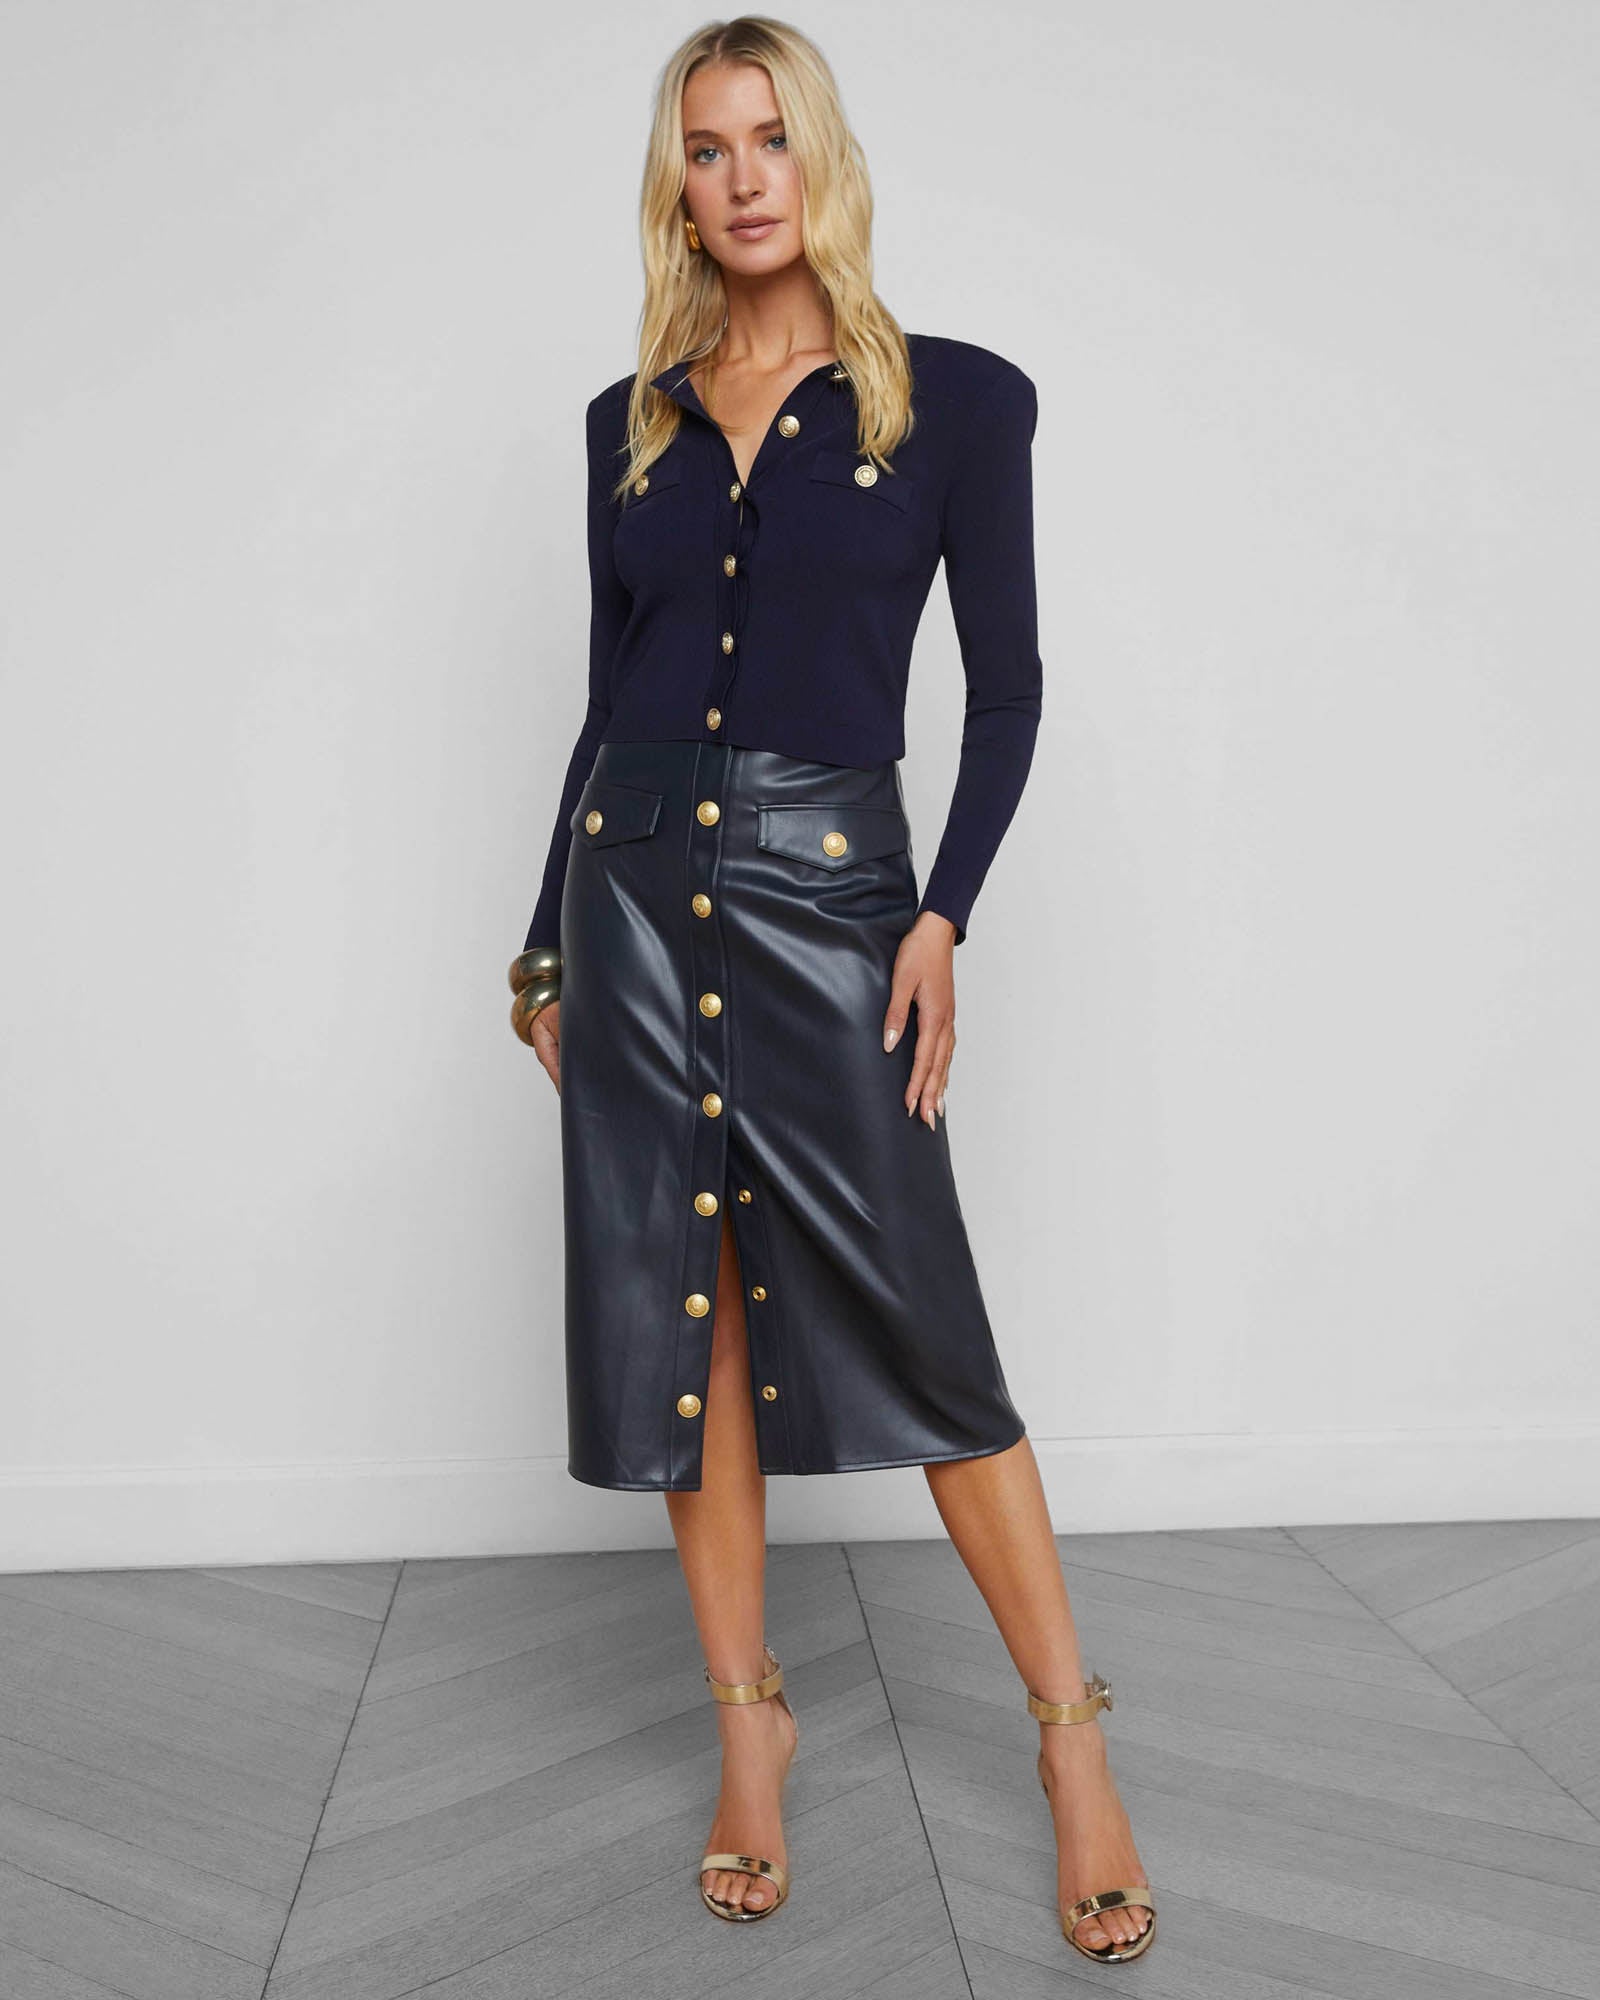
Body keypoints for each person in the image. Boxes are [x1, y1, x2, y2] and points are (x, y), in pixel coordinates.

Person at [507, 16, 1154, 1965]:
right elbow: (606, 701)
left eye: (770, 138)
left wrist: (939, 917)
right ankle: (749, 1731)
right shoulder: (625, 422)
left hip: (831, 896)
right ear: (675, 184)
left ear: (825, 160)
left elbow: (1007, 692)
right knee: (681, 1322)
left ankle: (1070, 1742)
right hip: (629, 899)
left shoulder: (952, 402)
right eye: (705, 148)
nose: (742, 178)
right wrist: (542, 942)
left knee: (926, 1323)